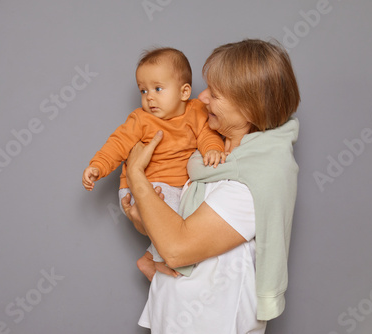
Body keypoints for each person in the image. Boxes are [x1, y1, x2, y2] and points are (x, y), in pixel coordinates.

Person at [122, 39, 300, 333]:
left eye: (215, 94)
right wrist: (143, 220)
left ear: (250, 108)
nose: (202, 97)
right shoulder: (209, 158)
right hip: (176, 312)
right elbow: (170, 230)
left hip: (211, 322)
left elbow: (177, 249)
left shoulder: (254, 181)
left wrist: (136, 174)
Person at [82, 47, 225, 264]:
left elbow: (207, 134)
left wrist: (213, 149)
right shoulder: (141, 120)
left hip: (179, 188)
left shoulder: (196, 111)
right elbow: (117, 144)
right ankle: (161, 261)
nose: (149, 98)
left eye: (158, 88)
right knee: (174, 224)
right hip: (143, 187)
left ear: (184, 92)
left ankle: (150, 259)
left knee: (197, 217)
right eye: (143, 91)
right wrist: (98, 166)